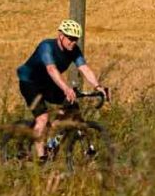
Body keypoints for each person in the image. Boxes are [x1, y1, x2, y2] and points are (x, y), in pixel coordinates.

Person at [16, 19, 106, 159]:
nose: (73, 42)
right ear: (61, 35)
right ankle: (41, 159)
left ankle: (51, 139)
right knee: (43, 118)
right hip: (30, 82)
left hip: (48, 83)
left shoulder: (74, 50)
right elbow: (51, 69)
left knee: (72, 108)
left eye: (76, 39)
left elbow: (84, 68)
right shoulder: (46, 47)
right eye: (70, 38)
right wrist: (66, 88)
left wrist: (98, 87)